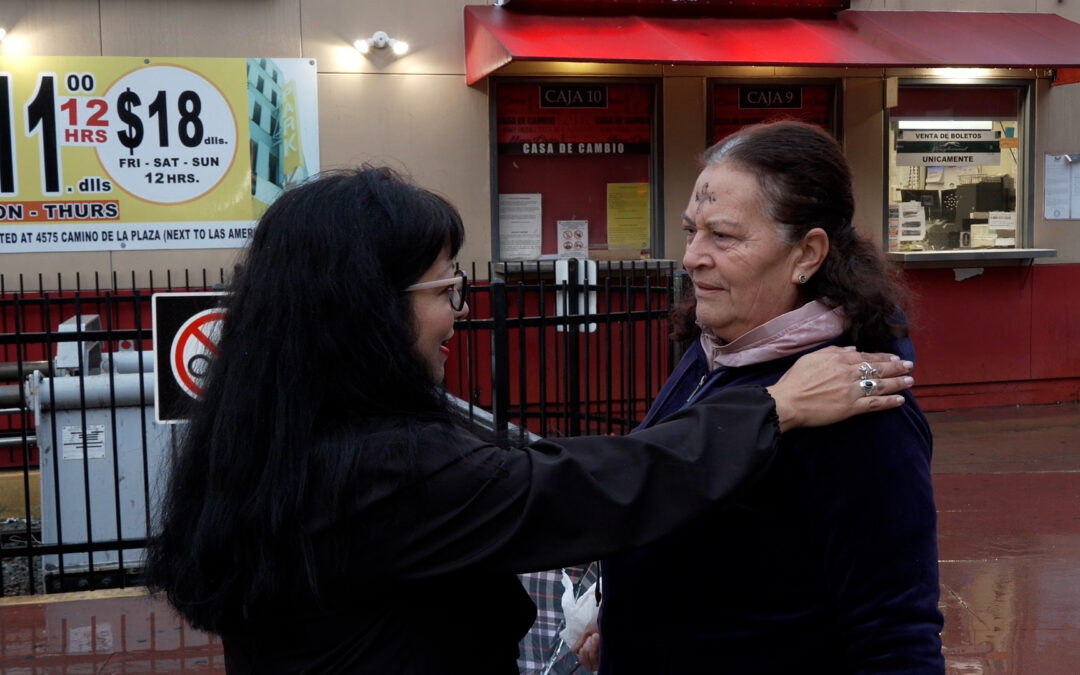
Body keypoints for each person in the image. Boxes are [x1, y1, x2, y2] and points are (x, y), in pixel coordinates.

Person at [144, 165, 915, 674]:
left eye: (722, 234)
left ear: (807, 251)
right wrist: (773, 406)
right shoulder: (374, 463)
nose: (459, 313)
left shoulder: (276, 424)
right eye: (447, 289)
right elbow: (578, 489)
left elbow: (893, 618)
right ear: (366, 312)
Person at [576, 120, 944, 673]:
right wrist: (630, 619)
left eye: (723, 236)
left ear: (807, 253)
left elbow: (894, 633)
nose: (692, 257)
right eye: (690, 231)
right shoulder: (717, 349)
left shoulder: (858, 407)